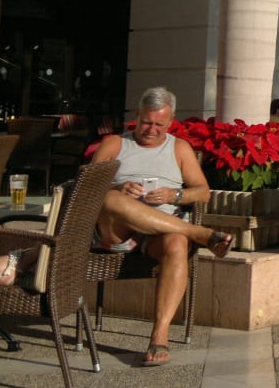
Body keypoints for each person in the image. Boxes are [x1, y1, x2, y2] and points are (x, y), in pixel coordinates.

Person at [91, 86, 233, 367]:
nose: (152, 129)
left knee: (177, 243)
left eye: (159, 124)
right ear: (136, 115)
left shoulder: (178, 148)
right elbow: (87, 187)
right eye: (146, 122)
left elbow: (202, 192)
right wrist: (119, 186)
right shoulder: (115, 144)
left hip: (159, 234)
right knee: (111, 198)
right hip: (117, 232)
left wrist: (174, 195)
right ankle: (200, 234)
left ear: (171, 122)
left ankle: (159, 335)